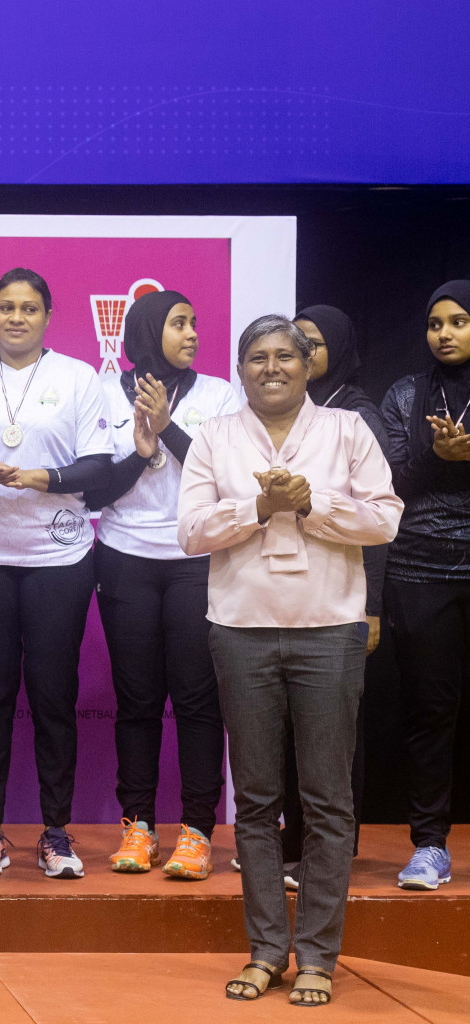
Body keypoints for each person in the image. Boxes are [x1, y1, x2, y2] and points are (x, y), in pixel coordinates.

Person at [179, 314, 400, 1007]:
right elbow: (189, 531)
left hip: (328, 629)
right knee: (255, 801)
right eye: (256, 357)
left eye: (284, 356)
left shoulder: (348, 431)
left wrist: (313, 506)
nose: (270, 367)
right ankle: (267, 949)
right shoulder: (215, 436)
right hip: (241, 629)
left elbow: (386, 519)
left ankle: (318, 956)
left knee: (329, 800)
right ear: (241, 369)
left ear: (308, 366)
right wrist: (257, 505)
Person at [0, 268, 113, 879]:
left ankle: (57, 833)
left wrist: (43, 478)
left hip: (58, 559)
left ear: (47, 316)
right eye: (6, 306)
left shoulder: (78, 377)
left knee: (54, 697)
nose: (16, 317)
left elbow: (98, 466)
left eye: (29, 308)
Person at [85, 290, 239, 881]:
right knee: (138, 700)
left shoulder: (218, 394)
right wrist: (141, 453)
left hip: (196, 558)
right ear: (150, 331)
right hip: (124, 558)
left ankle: (197, 830)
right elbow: (92, 494)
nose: (192, 332)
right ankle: (139, 826)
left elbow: (224, 476)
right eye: (179, 323)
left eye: (195, 322)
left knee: (197, 699)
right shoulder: (104, 392)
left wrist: (169, 429)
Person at [274, 305, 389, 882]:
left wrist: (371, 608)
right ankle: (297, 844)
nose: (302, 353)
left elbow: (379, 518)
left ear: (336, 348)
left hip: (343, 598)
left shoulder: (356, 415)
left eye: (312, 344)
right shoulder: (292, 415)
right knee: (298, 729)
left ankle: (332, 850)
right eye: (296, 343)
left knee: (338, 734)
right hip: (292, 595)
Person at [381, 280, 470, 892]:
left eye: (460, 321)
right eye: (436, 322)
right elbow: (390, 487)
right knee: (429, 711)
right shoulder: (406, 394)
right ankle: (430, 846)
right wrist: (441, 457)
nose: (445, 333)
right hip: (420, 570)